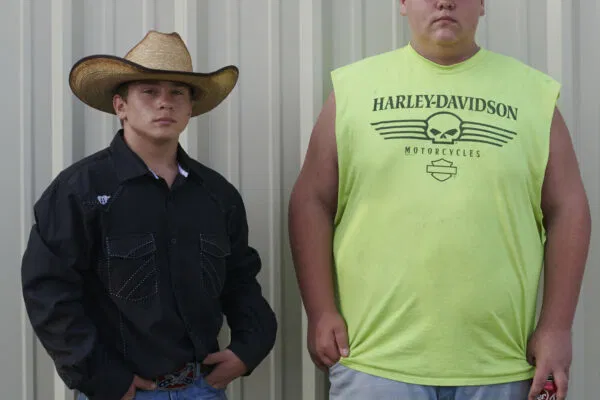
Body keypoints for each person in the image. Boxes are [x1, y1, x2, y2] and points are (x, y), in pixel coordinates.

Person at [288, 1, 590, 399]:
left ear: (481, 4)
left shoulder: (534, 95)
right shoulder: (353, 90)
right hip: (374, 361)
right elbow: (310, 200)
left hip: (500, 362)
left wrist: (556, 327)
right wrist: (321, 310)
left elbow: (568, 209)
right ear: (403, 3)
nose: (444, 1)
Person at [21, 30, 277, 400]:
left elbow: (240, 279)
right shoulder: (80, 191)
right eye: (149, 92)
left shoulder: (217, 195)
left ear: (190, 108)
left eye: (177, 93)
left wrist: (249, 347)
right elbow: (49, 290)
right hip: (122, 392)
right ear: (120, 106)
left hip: (202, 388)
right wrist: (103, 377)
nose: (164, 103)